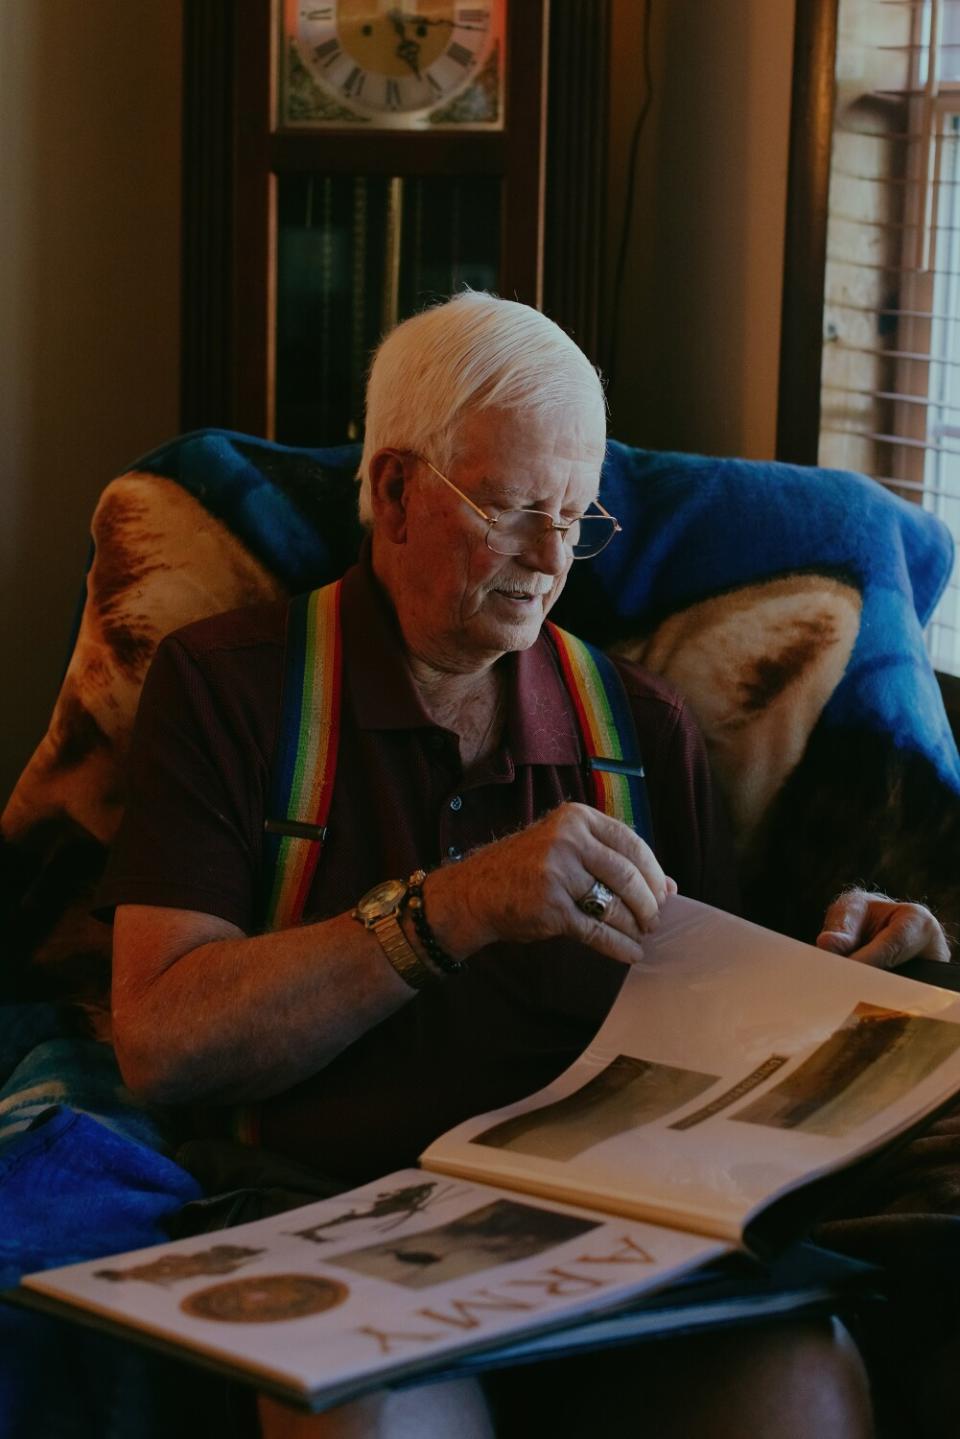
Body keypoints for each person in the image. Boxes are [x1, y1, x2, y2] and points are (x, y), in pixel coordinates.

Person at [103, 292, 948, 1437]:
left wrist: (854, 982)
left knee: (801, 1378)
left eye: (578, 516)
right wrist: (449, 909)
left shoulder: (643, 724)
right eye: (510, 510)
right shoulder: (229, 687)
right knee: (372, 1419)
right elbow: (158, 1042)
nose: (554, 560)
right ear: (395, 490)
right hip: (330, 1209)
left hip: (605, 1225)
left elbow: (707, 1020)